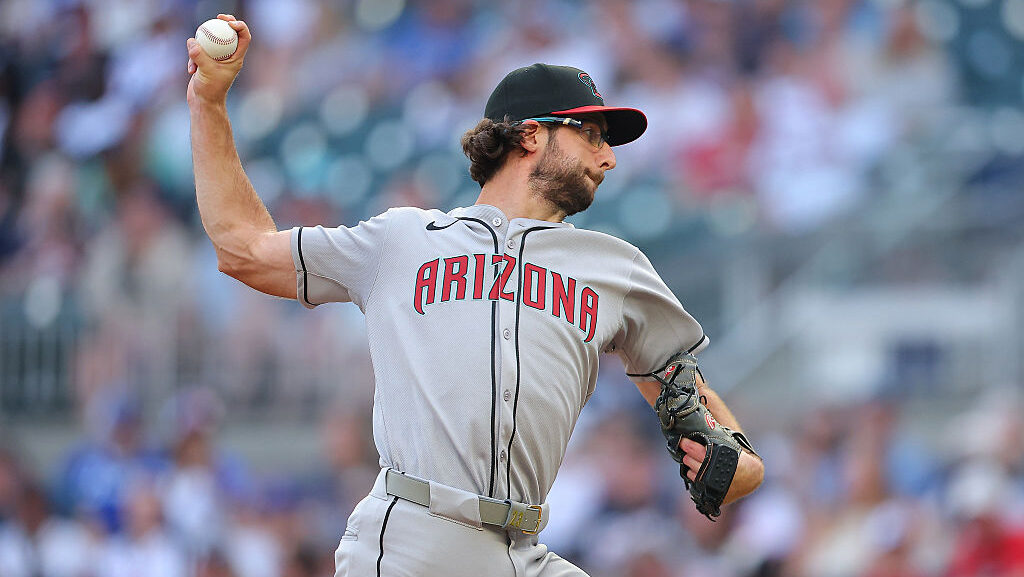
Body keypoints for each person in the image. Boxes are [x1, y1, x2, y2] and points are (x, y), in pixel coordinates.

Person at [186, 14, 764, 577]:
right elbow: (242, 248)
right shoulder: (403, 240)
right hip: (414, 535)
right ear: (532, 134)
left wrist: (740, 458)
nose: (608, 156)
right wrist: (209, 105)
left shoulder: (615, 268)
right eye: (590, 135)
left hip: (523, 548)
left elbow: (684, 391)